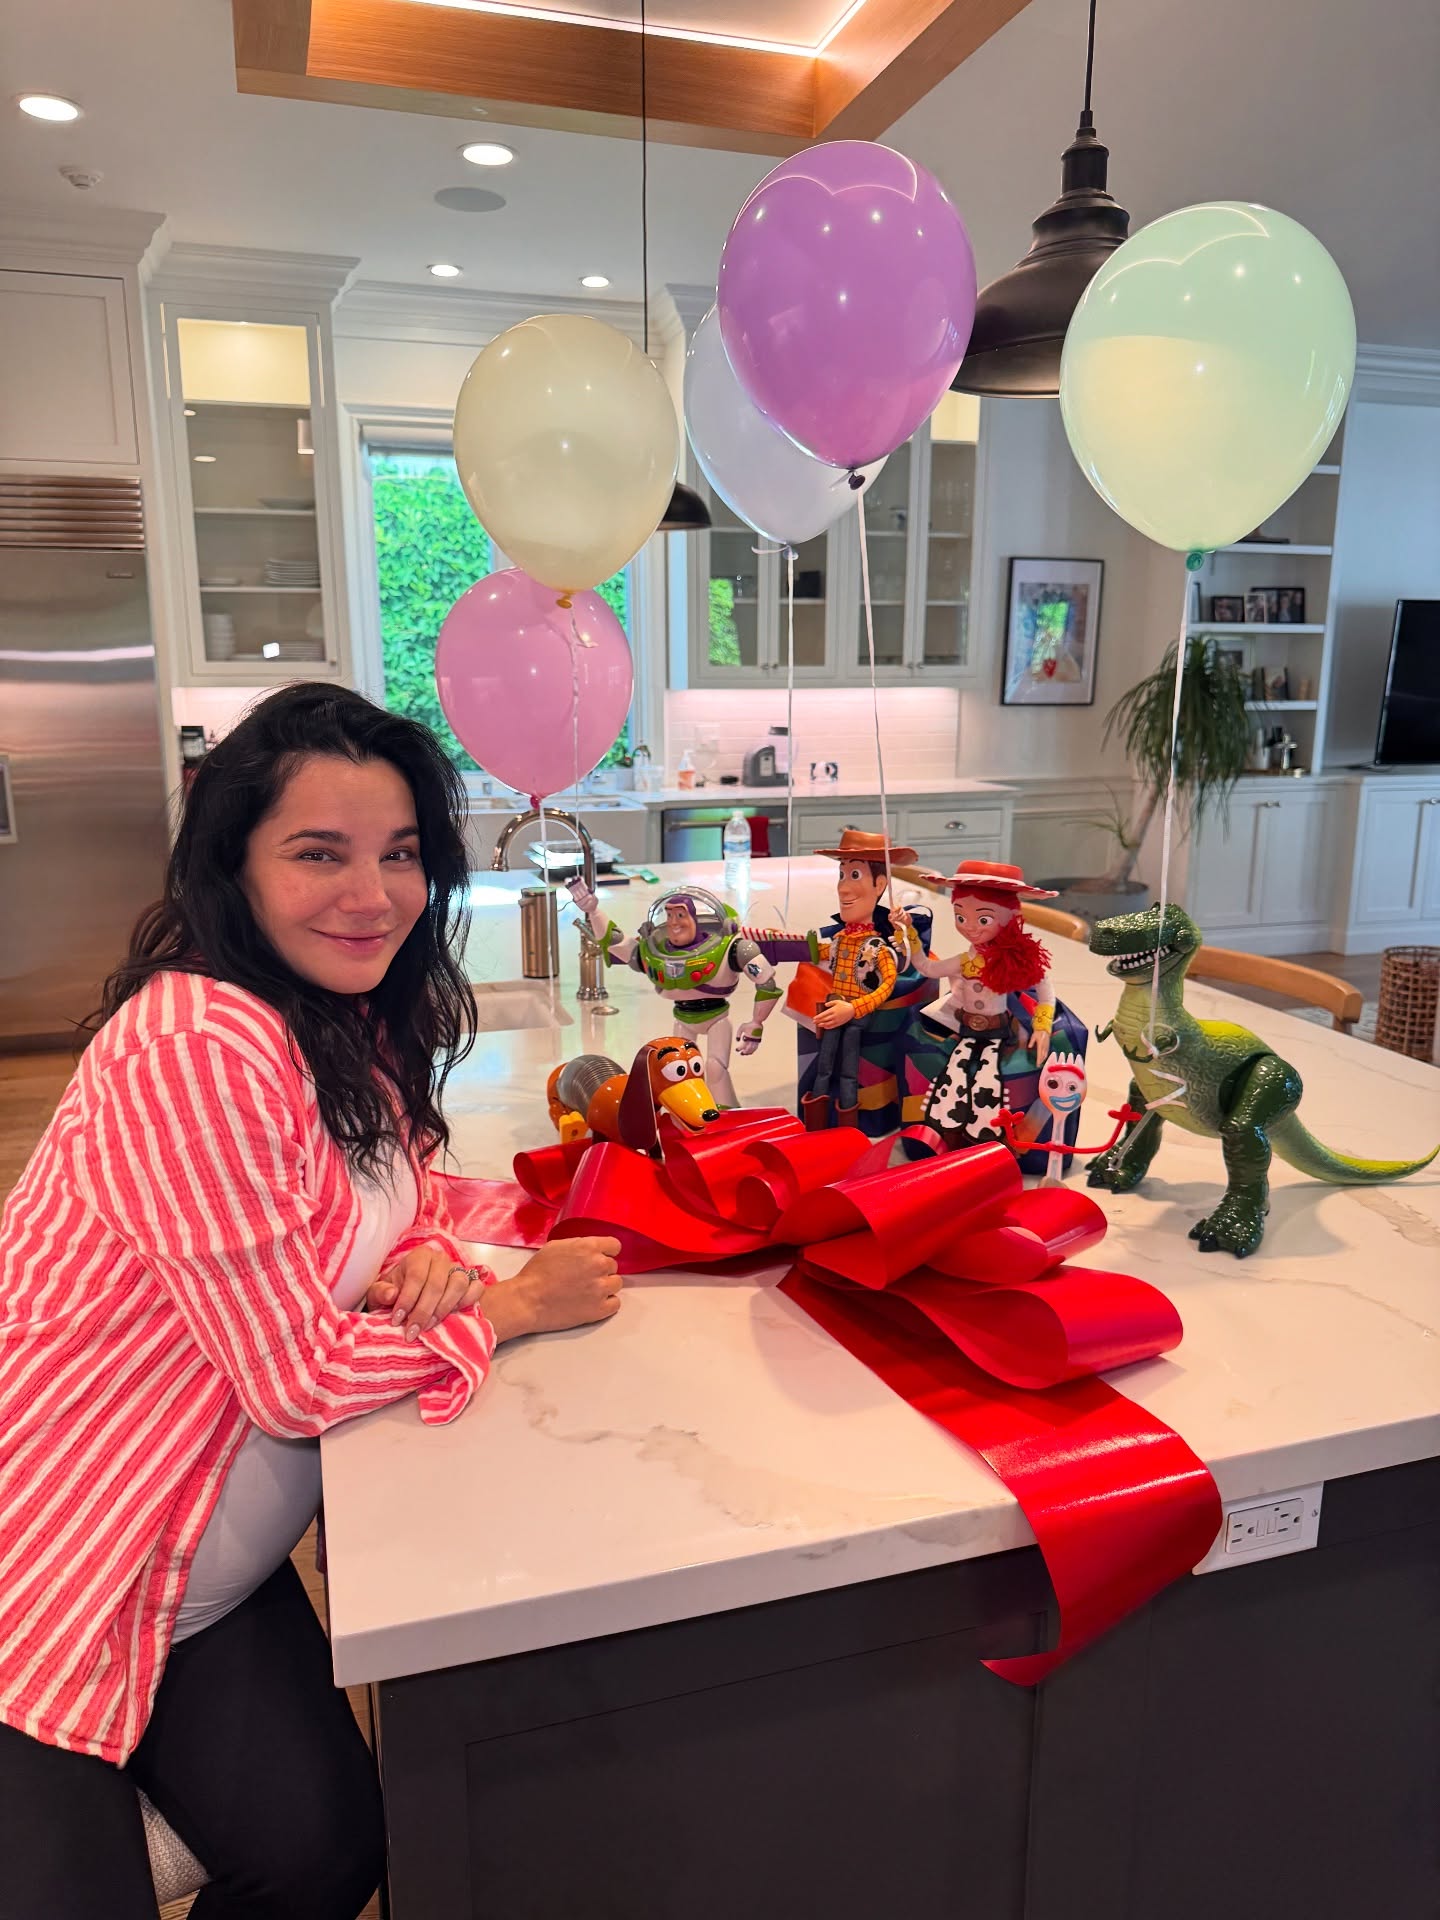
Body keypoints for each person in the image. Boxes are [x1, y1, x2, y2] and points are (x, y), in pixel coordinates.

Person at [0, 684, 621, 1919]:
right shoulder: (196, 1046)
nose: (373, 894)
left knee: (325, 1855)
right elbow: (297, 1382)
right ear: (233, 865)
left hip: (195, 1579)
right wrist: (507, 1310)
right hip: (58, 1561)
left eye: (400, 854)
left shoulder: (343, 1017)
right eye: (320, 853)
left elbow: (405, 1190)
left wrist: (429, 1259)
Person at [566, 879, 779, 1107]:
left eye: (680, 915)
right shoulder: (652, 951)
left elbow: (767, 983)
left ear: (694, 918)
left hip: (717, 1018)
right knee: (678, 1071)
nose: (673, 922)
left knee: (715, 1068)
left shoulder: (732, 948)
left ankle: (727, 1111)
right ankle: (687, 1109)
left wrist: (756, 1023)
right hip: (682, 1019)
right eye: (669, 915)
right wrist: (594, 911)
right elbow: (614, 942)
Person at [893, 859, 1057, 1151]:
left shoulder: (1016, 961)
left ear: (1012, 918)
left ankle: (984, 1143)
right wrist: (910, 934)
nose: (969, 927)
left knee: (986, 1081)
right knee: (953, 1076)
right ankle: (949, 1139)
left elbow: (1046, 994)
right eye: (960, 916)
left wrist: (1042, 1027)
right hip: (967, 1030)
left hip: (996, 1033)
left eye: (983, 920)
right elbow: (927, 968)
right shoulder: (964, 961)